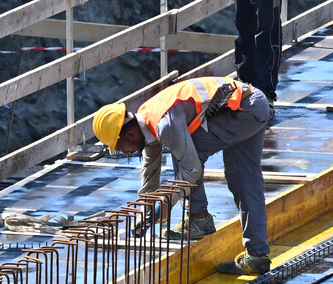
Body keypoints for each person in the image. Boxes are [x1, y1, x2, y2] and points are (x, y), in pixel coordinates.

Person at [92, 76, 273, 275]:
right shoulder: (147, 118)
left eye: (120, 148)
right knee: (245, 181)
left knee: (186, 154)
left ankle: (198, 219)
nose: (125, 153)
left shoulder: (165, 126)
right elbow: (150, 170)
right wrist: (146, 208)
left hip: (243, 109)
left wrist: (165, 204)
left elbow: (191, 168)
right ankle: (256, 256)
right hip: (253, 104)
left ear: (130, 135)